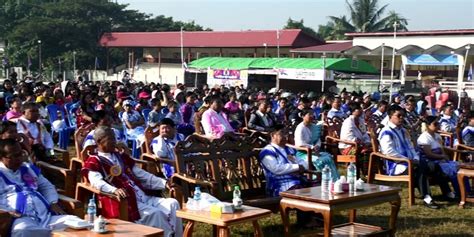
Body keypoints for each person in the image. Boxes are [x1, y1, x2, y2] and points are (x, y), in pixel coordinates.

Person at [82, 126, 182, 237]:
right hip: (127, 201)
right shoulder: (94, 161)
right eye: (111, 139)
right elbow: (97, 182)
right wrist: (114, 190)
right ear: (99, 141)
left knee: (173, 203)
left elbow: (141, 174)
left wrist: (164, 183)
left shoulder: (120, 157)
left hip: (144, 196)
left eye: (114, 138)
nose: (115, 141)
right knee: (156, 214)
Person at [0, 139, 83, 237]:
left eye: (20, 154)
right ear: (1, 158)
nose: (19, 159)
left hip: (46, 216)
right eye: (14, 156)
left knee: (78, 223)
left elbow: (46, 186)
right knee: (22, 231)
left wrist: (53, 202)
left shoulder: (27, 168)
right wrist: (6, 212)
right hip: (21, 218)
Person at [378, 105, 440, 209]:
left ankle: (445, 193)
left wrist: (415, 158)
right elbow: (388, 152)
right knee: (423, 167)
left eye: (403, 115)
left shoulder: (403, 130)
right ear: (390, 117)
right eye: (399, 116)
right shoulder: (386, 132)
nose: (402, 118)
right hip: (396, 164)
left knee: (433, 165)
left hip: (410, 162)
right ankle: (427, 197)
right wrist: (408, 160)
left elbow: (411, 148)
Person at [417, 116, 460, 199]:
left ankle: (463, 191)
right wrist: (441, 157)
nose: (438, 125)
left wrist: (444, 158)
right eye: (435, 124)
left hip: (440, 160)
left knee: (459, 166)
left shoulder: (437, 136)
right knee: (453, 170)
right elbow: (429, 154)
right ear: (427, 125)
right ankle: (458, 192)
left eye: (438, 123)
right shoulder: (424, 137)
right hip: (430, 162)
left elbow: (441, 149)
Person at [294, 110, 339, 181]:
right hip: (303, 153)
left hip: (314, 152)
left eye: (312, 114)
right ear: (303, 116)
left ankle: (335, 180)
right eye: (309, 115)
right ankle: (321, 180)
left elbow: (318, 139)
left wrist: (317, 146)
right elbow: (299, 143)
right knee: (320, 161)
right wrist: (311, 147)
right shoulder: (300, 128)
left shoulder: (313, 126)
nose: (312, 116)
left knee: (328, 158)